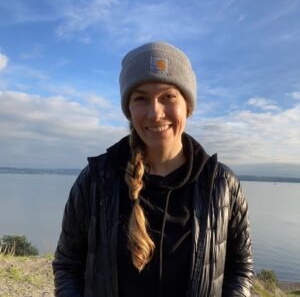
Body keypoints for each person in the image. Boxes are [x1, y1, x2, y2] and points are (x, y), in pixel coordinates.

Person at [52, 42, 253, 297]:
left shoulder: (222, 185)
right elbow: (68, 264)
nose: (155, 113)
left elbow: (240, 268)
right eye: (141, 98)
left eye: (168, 97)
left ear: (188, 106)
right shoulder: (96, 180)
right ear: (129, 109)